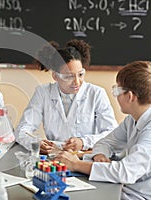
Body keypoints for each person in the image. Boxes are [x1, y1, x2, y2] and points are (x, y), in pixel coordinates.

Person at [56, 61, 151, 199]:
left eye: (117, 91)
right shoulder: (132, 119)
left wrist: (76, 164)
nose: (116, 95)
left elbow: (125, 172)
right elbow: (105, 142)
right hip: (125, 189)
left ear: (130, 96)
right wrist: (100, 156)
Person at [14, 39, 118, 154]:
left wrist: (84, 142)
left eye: (80, 74)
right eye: (69, 77)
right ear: (55, 76)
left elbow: (112, 132)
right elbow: (22, 131)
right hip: (54, 156)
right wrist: (34, 143)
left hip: (84, 156)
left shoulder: (96, 93)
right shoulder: (43, 92)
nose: (77, 82)